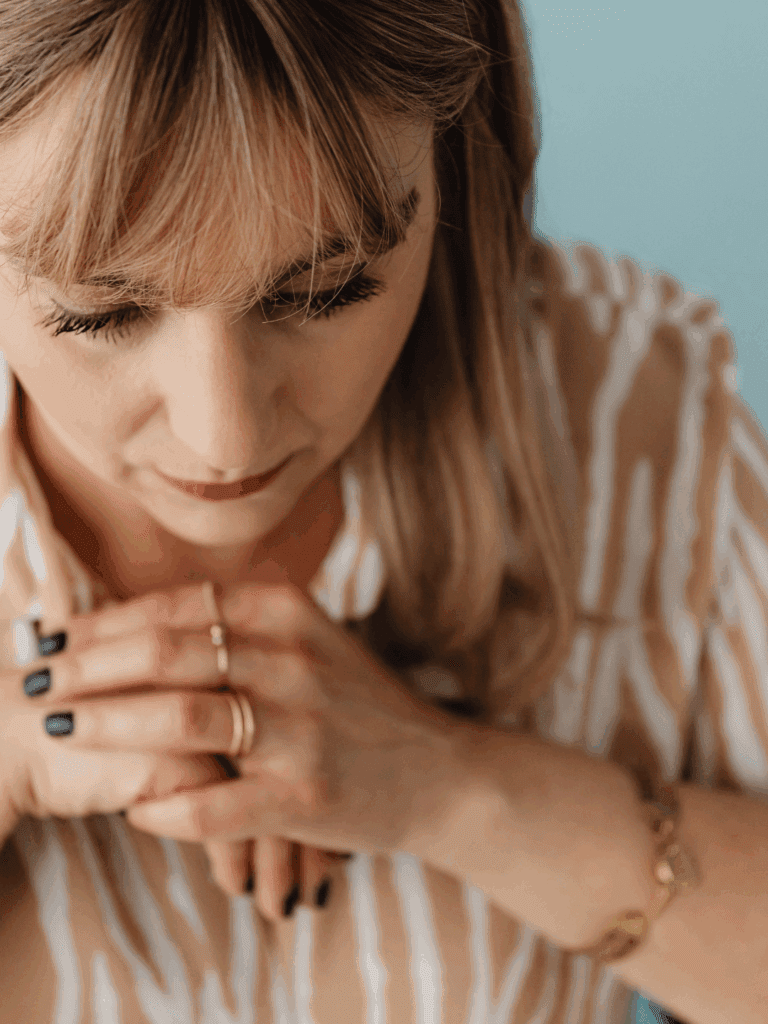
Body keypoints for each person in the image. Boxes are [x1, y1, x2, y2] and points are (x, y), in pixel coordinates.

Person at [0, 2, 764, 1023]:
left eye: (325, 291)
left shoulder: (634, 405)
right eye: (99, 312)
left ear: (458, 150)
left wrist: (463, 793)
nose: (225, 439)